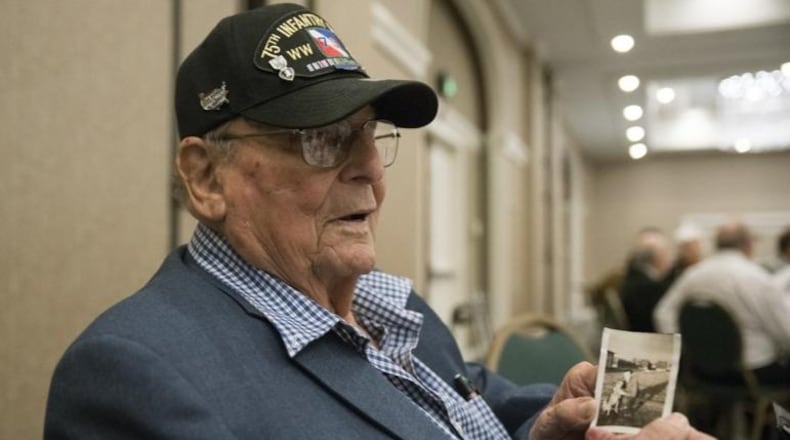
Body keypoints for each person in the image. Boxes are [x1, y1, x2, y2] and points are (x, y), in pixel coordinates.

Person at [44, 4, 712, 439]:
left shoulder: (388, 305)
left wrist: (547, 423)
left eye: (368, 136)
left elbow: (471, 397)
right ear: (205, 176)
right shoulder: (134, 377)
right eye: (321, 139)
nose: (372, 169)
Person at [654, 221, 790, 385]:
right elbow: (786, 332)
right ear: (748, 245)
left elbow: (662, 313)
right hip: (752, 375)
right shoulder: (758, 279)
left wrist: (685, 349)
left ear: (717, 244)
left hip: (702, 372)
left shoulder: (692, 275)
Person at [619, 228, 674, 332]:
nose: (671, 259)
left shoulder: (632, 280)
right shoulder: (649, 288)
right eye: (667, 252)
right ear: (656, 257)